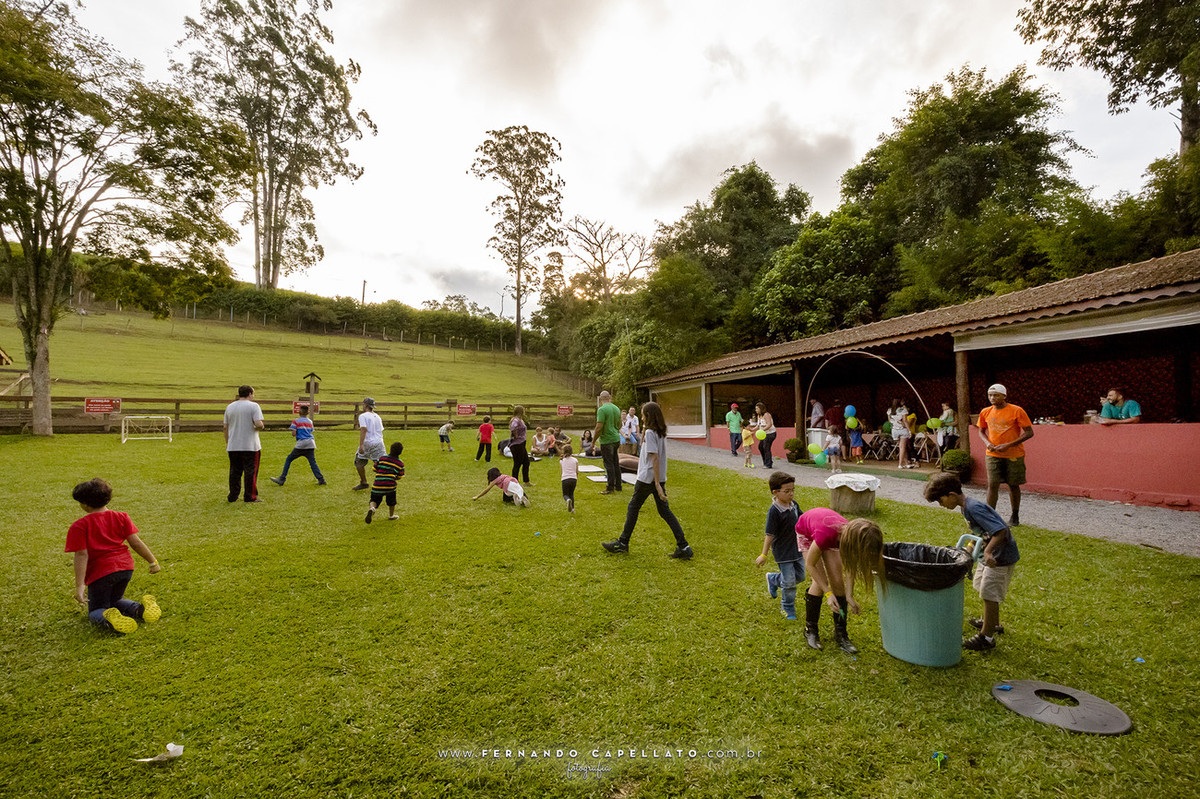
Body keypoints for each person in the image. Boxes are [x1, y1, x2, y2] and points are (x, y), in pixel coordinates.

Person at [924, 472, 1019, 651]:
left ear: (951, 495)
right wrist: (968, 549)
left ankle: (987, 638)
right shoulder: (966, 507)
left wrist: (989, 551)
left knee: (989, 593)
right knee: (981, 586)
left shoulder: (974, 508)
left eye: (941, 500)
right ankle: (993, 623)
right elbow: (980, 532)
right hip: (988, 555)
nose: (941, 505)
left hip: (999, 558)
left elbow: (1001, 531)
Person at [65, 478, 162, 634]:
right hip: (125, 568)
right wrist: (152, 561)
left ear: (84, 504)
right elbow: (135, 543)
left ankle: (108, 617)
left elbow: (81, 555)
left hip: (100, 573)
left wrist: (80, 585)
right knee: (115, 600)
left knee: (96, 609)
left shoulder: (80, 526)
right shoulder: (121, 517)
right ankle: (140, 609)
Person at [601, 401, 693, 559]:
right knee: (664, 511)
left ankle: (622, 543)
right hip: (657, 477)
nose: (641, 417)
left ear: (648, 416)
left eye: (643, 414)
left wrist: (656, 484)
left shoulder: (651, 433)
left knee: (633, 507)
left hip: (648, 478)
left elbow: (655, 458)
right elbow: (644, 443)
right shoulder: (659, 432)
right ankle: (684, 546)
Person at [796, 508, 879, 654]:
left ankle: (841, 634)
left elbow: (850, 568)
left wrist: (849, 596)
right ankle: (811, 630)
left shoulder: (853, 535)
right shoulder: (825, 535)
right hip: (808, 533)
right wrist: (828, 594)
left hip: (833, 536)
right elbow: (811, 565)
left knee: (837, 581)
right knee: (819, 583)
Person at [977, 384, 1034, 527]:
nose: (992, 398)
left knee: (1013, 485)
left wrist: (1008, 445)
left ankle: (1015, 515)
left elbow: (1029, 432)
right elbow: (981, 431)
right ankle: (990, 517)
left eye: (996, 395)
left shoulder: (1017, 411)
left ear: (1004, 396)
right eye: (990, 395)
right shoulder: (985, 412)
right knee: (992, 484)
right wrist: (986, 442)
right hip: (993, 453)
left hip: (1013, 454)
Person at [754, 471, 804, 620]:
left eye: (793, 490)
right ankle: (787, 608)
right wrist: (764, 554)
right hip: (783, 552)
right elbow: (769, 534)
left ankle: (774, 579)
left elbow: (802, 520)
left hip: (797, 548)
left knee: (800, 576)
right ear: (775, 492)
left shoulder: (794, 505)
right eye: (787, 491)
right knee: (789, 583)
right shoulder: (774, 511)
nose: (791, 494)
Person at [224, 384, 265, 502]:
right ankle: (250, 496)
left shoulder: (230, 407)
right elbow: (258, 424)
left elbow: (225, 427)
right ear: (250, 394)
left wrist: (228, 442)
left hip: (233, 445)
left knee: (234, 471)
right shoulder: (254, 406)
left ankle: (233, 495)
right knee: (250, 471)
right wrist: (261, 427)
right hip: (250, 445)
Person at [270, 404, 326, 487]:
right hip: (310, 443)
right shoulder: (310, 421)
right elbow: (310, 431)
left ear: (299, 412)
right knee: (313, 463)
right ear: (307, 413)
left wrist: (295, 432)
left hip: (301, 444)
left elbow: (293, 433)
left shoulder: (296, 421)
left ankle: (282, 478)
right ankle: (321, 480)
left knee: (289, 459)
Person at [365, 442, 404, 524]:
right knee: (391, 501)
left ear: (390, 449)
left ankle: (372, 508)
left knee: (374, 500)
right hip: (390, 486)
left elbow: (374, 469)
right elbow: (400, 476)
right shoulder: (400, 463)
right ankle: (391, 515)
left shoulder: (382, 458)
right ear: (400, 452)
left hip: (377, 485)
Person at [594, 391, 623, 494]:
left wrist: (593, 441)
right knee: (616, 463)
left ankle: (610, 487)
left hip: (607, 440)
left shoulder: (601, 410)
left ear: (601, 399)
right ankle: (618, 486)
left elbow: (599, 427)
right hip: (616, 439)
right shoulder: (616, 408)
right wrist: (614, 430)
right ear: (609, 397)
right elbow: (620, 425)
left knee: (608, 464)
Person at [354, 397, 385, 491]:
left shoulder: (363, 416)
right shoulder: (377, 416)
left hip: (368, 442)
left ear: (365, 405)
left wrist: (361, 445)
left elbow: (364, 429)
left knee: (358, 462)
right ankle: (383, 483)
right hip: (379, 443)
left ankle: (363, 482)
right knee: (381, 464)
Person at [508, 405, 532, 485]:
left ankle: (526, 481)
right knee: (517, 463)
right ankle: (514, 482)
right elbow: (513, 428)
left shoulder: (520, 420)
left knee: (526, 462)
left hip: (521, 443)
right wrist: (516, 435)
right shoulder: (516, 420)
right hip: (517, 444)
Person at [888, 398, 913, 469]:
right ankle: (900, 464)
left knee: (901, 447)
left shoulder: (890, 410)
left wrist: (896, 422)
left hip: (894, 430)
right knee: (902, 447)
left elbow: (890, 421)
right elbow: (905, 421)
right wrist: (909, 430)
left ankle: (906, 463)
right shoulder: (903, 410)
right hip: (902, 429)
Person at [754, 402, 777, 469]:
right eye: (755, 409)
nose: (756, 410)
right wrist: (752, 429)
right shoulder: (759, 416)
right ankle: (766, 461)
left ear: (761, 408)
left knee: (766, 447)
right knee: (760, 447)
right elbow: (758, 425)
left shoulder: (766, 415)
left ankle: (768, 464)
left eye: (757, 408)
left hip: (770, 433)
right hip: (763, 434)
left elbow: (769, 424)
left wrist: (762, 430)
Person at [560, 443, 579, 513]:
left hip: (565, 478)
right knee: (571, 493)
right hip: (574, 478)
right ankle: (573, 509)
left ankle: (567, 500)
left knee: (565, 494)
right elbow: (577, 471)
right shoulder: (575, 460)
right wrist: (576, 477)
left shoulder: (562, 461)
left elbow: (562, 471)